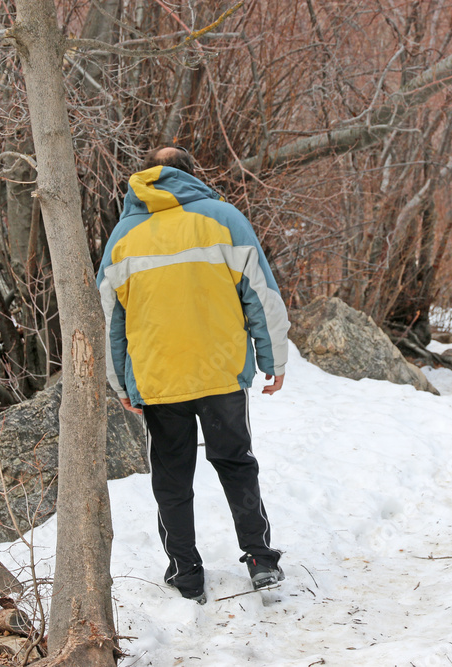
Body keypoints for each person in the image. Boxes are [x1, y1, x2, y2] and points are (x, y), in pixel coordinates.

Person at [96, 145, 290, 604]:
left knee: (171, 478)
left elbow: (110, 318)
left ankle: (186, 572)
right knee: (236, 464)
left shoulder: (124, 235)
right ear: (192, 176)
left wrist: (119, 381)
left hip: (159, 378)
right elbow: (260, 294)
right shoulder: (223, 218)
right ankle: (260, 560)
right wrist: (273, 360)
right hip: (219, 373)